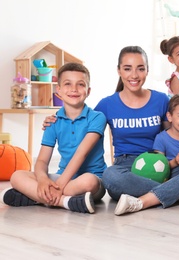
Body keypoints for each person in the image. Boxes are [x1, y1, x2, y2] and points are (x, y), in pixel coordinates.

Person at [95, 46, 179, 216]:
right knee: (110, 176)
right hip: (127, 168)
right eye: (127, 69)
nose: (134, 75)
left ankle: (143, 201)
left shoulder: (160, 100)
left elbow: (173, 134)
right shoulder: (107, 104)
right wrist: (54, 120)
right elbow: (83, 124)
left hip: (163, 164)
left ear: (147, 71)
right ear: (119, 70)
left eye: (140, 68)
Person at [0, 62, 107, 214]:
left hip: (91, 181)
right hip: (61, 177)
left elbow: (81, 154)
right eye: (67, 84)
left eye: (80, 84)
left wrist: (59, 186)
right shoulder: (53, 122)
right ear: (59, 90)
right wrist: (43, 180)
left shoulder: (97, 117)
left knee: (88, 181)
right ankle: (65, 202)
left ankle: (36, 198)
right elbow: (42, 161)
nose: (74, 89)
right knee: (17, 176)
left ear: (88, 91)